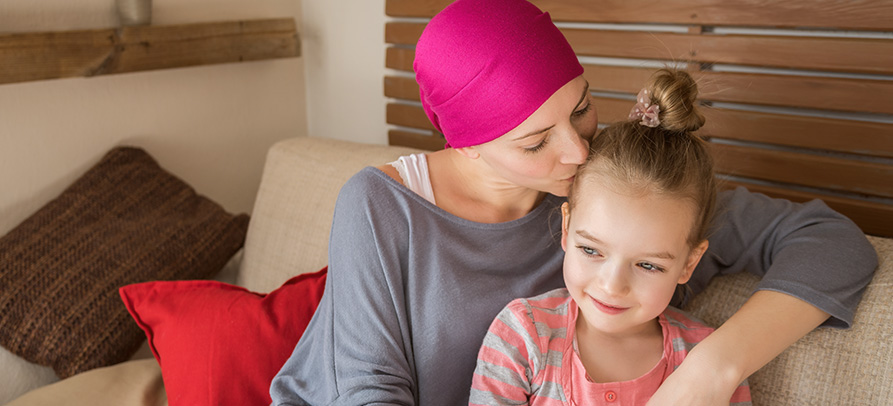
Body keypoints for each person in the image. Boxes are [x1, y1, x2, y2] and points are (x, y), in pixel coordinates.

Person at [269, 0, 877, 405]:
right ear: (467, 145)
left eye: (581, 108)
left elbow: (834, 244)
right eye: (536, 142)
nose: (579, 152)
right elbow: (370, 390)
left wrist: (712, 369)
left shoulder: (619, 194)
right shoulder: (380, 207)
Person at [469, 69, 752, 405]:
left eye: (648, 265)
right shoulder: (523, 336)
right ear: (566, 228)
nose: (612, 285)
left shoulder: (708, 361)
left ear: (690, 262)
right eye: (591, 250)